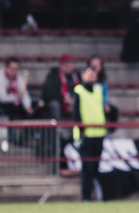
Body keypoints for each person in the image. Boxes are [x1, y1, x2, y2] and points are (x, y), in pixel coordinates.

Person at [72, 64, 107, 201]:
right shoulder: (79, 91)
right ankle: (86, 196)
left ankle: (96, 195)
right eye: (89, 74)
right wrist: (81, 130)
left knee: (96, 167)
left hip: (99, 133)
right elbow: (76, 113)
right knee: (87, 167)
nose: (92, 77)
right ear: (83, 75)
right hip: (86, 135)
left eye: (94, 74)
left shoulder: (98, 90)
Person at [42, 53, 80, 121]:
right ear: (60, 65)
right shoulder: (53, 75)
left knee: (79, 104)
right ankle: (57, 128)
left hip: (74, 100)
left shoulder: (77, 75)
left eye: (69, 63)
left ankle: (79, 127)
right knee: (54, 105)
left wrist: (73, 102)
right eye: (65, 64)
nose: (68, 66)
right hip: (59, 100)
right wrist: (64, 100)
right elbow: (49, 93)